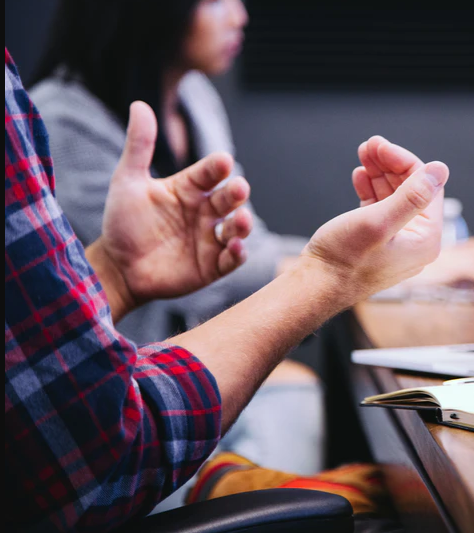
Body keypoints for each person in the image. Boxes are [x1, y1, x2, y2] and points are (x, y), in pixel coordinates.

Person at [6, 47, 450, 531]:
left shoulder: (196, 96)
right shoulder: (60, 114)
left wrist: (113, 273)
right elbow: (101, 450)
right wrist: (330, 275)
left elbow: (28, 353)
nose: (239, 14)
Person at [31, 0, 474, 350]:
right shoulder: (62, 125)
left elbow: (244, 251)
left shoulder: (194, 97)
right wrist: (383, 273)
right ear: (151, 1)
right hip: (127, 381)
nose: (239, 15)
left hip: (188, 361)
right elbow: (212, 281)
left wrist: (381, 261)